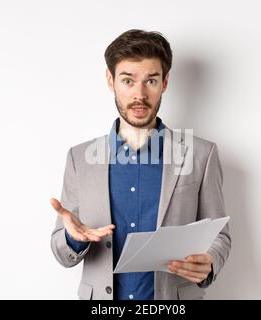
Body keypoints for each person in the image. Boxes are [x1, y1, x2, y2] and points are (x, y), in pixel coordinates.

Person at [50, 29, 231, 300]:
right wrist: (75, 238)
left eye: (151, 81)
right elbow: (61, 252)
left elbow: (220, 235)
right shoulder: (80, 158)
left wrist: (209, 261)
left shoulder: (202, 154)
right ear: (111, 80)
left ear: (165, 82)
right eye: (128, 80)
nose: (140, 94)